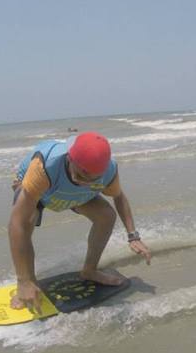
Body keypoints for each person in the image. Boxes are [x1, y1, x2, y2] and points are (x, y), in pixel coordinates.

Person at [8, 132, 151, 313]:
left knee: (106, 215)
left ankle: (90, 271)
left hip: (66, 194)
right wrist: (24, 280)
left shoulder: (109, 171)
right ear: (70, 158)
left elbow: (119, 197)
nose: (85, 183)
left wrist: (133, 236)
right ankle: (28, 282)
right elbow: (17, 223)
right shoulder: (44, 167)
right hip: (40, 188)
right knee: (27, 219)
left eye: (92, 180)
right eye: (81, 176)